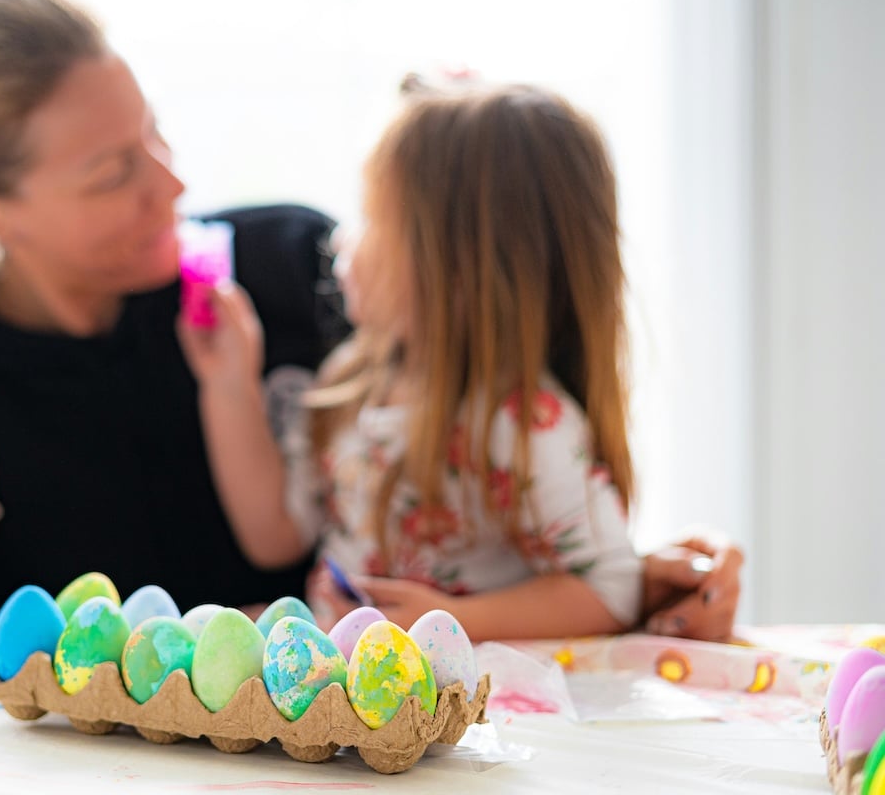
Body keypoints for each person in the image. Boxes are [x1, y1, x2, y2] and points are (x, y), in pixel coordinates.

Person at [0, 0, 740, 635]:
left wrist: (634, 586)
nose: (172, 182)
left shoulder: (295, 274)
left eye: (152, 133)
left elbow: (490, 503)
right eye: (112, 173)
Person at [178, 82, 742, 641]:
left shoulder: (525, 425)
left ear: (456, 270)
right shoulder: (350, 381)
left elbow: (611, 587)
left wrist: (447, 625)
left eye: (373, 218)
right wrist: (228, 384)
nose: (342, 241)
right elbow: (277, 535)